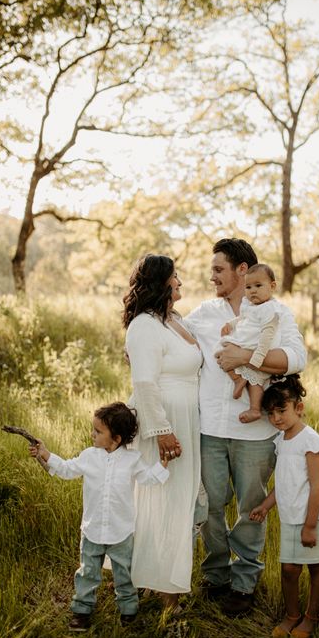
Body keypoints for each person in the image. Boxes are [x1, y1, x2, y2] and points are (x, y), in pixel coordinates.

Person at [185, 238, 307, 616]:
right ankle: (217, 574)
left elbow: (296, 357)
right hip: (210, 430)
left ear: (242, 270)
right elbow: (173, 335)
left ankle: (244, 582)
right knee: (211, 505)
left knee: (251, 508)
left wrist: (247, 356)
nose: (212, 277)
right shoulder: (204, 313)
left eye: (218, 269)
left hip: (256, 435)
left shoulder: (278, 312)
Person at [28, 402, 171, 631]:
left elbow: (148, 479)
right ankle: (82, 611)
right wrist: (45, 454)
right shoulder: (88, 456)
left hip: (121, 532)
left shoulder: (132, 459)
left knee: (124, 574)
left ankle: (128, 611)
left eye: (98, 431)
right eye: (93, 429)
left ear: (116, 438)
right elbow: (66, 469)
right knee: (87, 572)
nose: (92, 434)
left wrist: (163, 465)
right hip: (93, 529)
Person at [123, 254, 203, 611]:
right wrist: (162, 431)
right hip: (164, 422)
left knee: (179, 499)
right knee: (163, 499)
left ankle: (161, 579)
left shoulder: (173, 320)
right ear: (161, 283)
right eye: (175, 276)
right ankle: (164, 588)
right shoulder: (144, 325)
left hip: (187, 417)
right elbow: (144, 381)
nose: (181, 281)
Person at [250, 375, 319, 638]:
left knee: (316, 567)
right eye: (271, 414)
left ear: (299, 408)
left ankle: (311, 617)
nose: (277, 418)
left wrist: (311, 526)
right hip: (292, 515)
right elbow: (284, 483)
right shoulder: (282, 441)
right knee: (289, 569)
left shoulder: (311, 442)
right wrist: (266, 505)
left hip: (315, 517)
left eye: (282, 410)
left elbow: (317, 487)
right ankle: (292, 614)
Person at [216, 263, 279, 423]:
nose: (253, 291)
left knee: (256, 379)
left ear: (272, 286)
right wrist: (230, 324)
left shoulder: (269, 309)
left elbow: (267, 334)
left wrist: (258, 358)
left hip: (254, 345)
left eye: (258, 285)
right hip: (243, 341)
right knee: (219, 353)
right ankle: (238, 379)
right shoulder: (250, 305)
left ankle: (255, 409)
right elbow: (243, 318)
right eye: (249, 287)